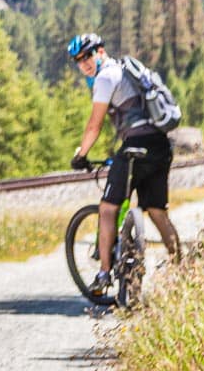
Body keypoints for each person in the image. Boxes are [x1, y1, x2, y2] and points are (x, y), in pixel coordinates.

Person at [67, 33, 180, 295]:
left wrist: (81, 154)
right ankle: (183, 273)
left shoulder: (105, 77)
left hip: (134, 147)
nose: (83, 63)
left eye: (87, 55)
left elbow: (94, 125)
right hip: (160, 146)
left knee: (107, 209)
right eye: (78, 60)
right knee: (157, 211)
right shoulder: (126, 72)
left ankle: (104, 274)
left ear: (100, 51)